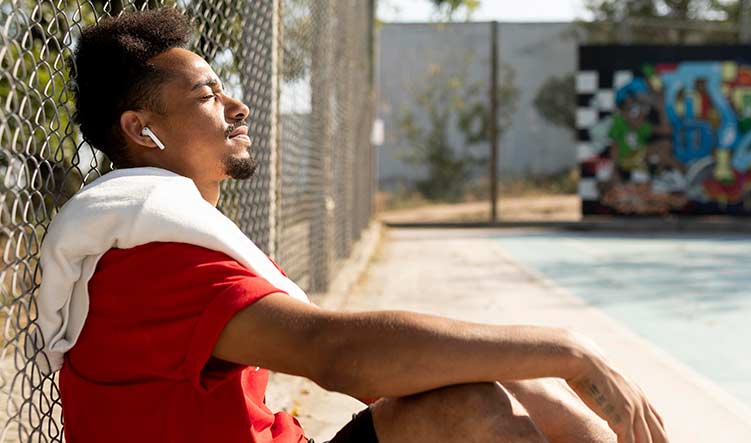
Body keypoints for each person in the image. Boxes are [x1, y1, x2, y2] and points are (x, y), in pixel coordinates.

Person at [49, 8, 669, 443]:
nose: (237, 104)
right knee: (478, 403)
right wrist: (569, 350)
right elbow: (337, 354)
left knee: (501, 383)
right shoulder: (155, 260)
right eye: (208, 95)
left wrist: (532, 364)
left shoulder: (168, 228)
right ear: (140, 129)